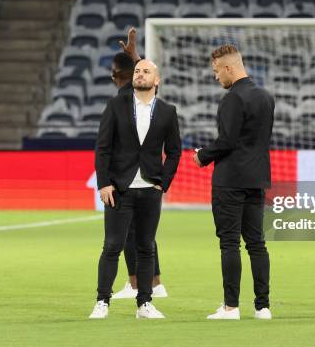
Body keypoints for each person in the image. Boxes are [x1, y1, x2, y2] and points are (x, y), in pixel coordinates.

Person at [91, 59, 181, 319]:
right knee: (112, 246)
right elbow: (103, 147)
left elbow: (174, 151)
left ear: (157, 80)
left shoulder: (167, 111)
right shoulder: (115, 105)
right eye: (138, 71)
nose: (140, 74)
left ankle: (144, 303)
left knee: (145, 247)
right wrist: (104, 183)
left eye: (147, 71)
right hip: (120, 189)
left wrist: (163, 182)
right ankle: (102, 302)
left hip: (150, 190)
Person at [193, 44, 274, 320]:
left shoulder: (232, 99)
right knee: (257, 243)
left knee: (229, 243)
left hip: (230, 180)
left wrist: (202, 155)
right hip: (257, 178)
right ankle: (263, 307)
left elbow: (226, 141)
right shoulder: (265, 97)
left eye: (217, 71)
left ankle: (231, 307)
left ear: (229, 68)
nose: (216, 77)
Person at [109, 28, 168, 299]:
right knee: (144, 233)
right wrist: (135, 56)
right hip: (146, 179)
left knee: (130, 233)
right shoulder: (141, 98)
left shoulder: (123, 101)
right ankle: (155, 283)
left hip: (129, 178)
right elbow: (149, 76)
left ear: (115, 75)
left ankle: (136, 285)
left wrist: (135, 58)